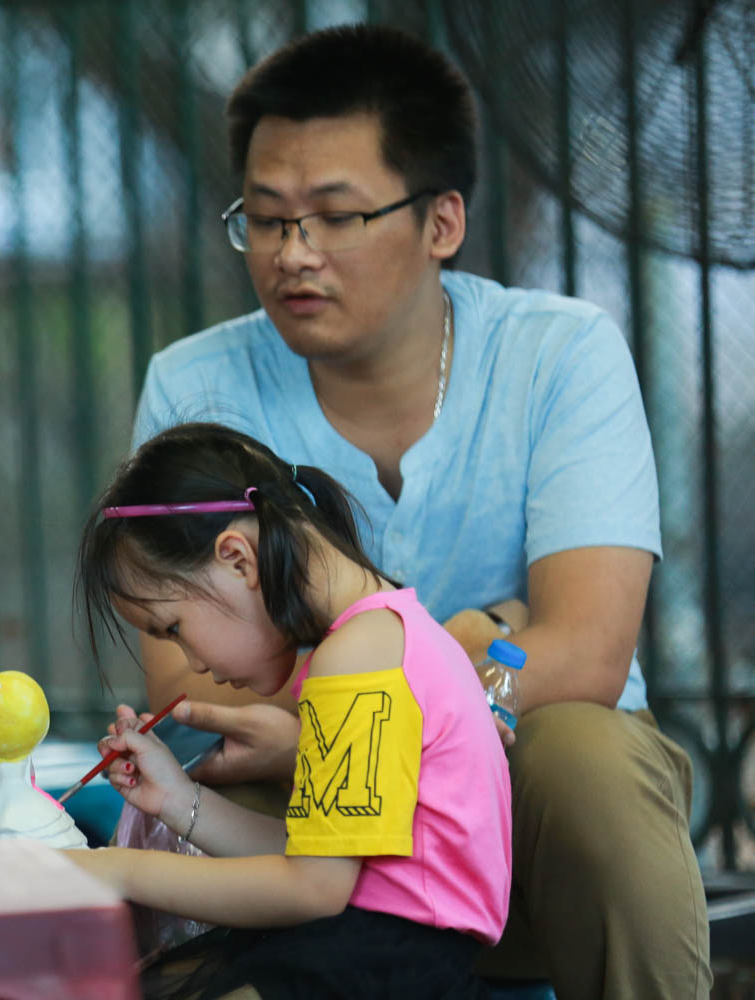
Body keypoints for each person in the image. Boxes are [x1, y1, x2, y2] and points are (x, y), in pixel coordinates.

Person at [130, 23, 710, 1000]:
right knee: (254, 777)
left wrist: (344, 699)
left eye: (333, 216)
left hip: (524, 797)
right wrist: (480, 639)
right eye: (265, 219)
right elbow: (188, 674)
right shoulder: (197, 386)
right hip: (309, 814)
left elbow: (587, 650)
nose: (291, 254)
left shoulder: (558, 355)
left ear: (442, 221)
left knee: (588, 755)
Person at [68, 422, 511, 999]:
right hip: (382, 951)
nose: (193, 664)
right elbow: (314, 859)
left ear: (237, 559)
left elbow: (313, 888)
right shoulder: (381, 636)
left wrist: (111, 870)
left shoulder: (358, 658)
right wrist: (178, 800)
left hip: (382, 966)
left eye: (174, 628)